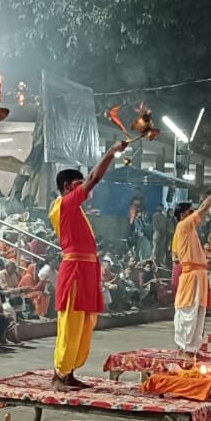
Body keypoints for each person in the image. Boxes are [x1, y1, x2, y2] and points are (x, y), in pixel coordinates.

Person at [47, 141, 128, 391]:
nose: (84, 187)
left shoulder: (75, 210)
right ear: (67, 186)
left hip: (86, 272)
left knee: (84, 325)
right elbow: (95, 177)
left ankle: (69, 373)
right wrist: (111, 152)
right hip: (74, 273)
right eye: (78, 183)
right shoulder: (65, 205)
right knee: (71, 324)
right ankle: (59, 375)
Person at [172, 182, 211, 354]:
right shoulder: (183, 226)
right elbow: (204, 207)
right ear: (183, 215)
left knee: (199, 312)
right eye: (190, 211)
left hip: (199, 275)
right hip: (191, 276)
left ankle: (192, 348)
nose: (194, 213)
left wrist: (207, 262)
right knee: (188, 312)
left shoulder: (191, 231)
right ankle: (184, 347)